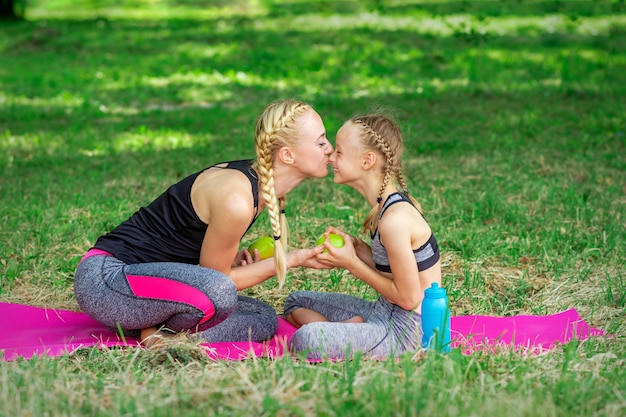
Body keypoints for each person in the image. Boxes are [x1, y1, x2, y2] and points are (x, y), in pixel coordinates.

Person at [74, 99, 334, 347]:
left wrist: (231, 258)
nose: (330, 149)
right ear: (287, 155)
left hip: (150, 287)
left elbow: (199, 257)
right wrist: (292, 259)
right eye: (321, 142)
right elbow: (218, 282)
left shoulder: (256, 185)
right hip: (107, 281)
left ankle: (159, 330)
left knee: (262, 317)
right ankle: (157, 329)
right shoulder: (237, 198)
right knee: (220, 292)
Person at [283, 114, 442, 360]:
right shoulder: (385, 208)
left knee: (306, 340)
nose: (331, 156)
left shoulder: (394, 220)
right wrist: (357, 248)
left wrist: (351, 264)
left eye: (340, 152)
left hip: (404, 331)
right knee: (295, 301)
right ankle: (351, 330)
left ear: (367, 161)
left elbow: (410, 298)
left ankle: (350, 332)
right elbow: (393, 269)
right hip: (383, 310)